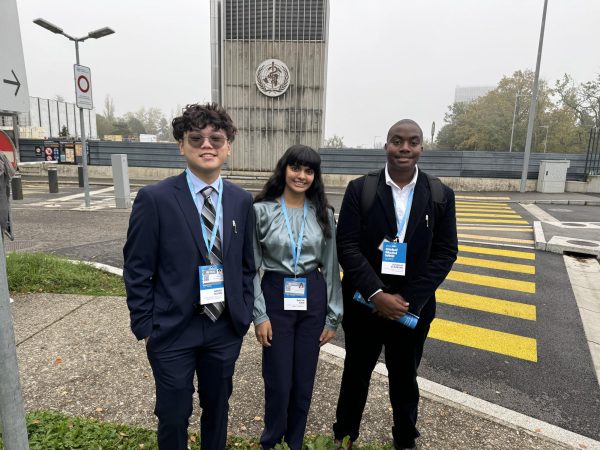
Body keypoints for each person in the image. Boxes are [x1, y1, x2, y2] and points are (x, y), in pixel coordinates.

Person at [123, 103, 256, 450]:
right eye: (196, 138)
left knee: (218, 409)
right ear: (181, 145)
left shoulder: (242, 201)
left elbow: (246, 265)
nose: (206, 145)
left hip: (223, 329)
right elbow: (137, 268)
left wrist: (241, 314)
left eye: (216, 138)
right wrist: (146, 327)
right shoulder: (155, 199)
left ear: (229, 146)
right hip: (171, 331)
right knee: (172, 414)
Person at [332, 119, 458, 450]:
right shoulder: (361, 189)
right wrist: (377, 295)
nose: (404, 148)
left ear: (421, 147)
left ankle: (405, 438)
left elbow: (446, 253)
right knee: (355, 373)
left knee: (405, 377)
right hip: (363, 303)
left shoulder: (440, 194)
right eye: (397, 141)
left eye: (412, 142)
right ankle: (344, 435)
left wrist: (404, 299)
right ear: (386, 145)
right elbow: (347, 246)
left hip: (411, 309)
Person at [253, 144, 343, 450]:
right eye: (295, 168)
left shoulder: (324, 214)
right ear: (284, 169)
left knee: (303, 380)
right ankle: (271, 441)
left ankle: (293, 443)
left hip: (312, 295)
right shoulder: (261, 211)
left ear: (315, 176)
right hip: (275, 294)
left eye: (308, 170)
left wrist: (333, 316)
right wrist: (260, 314)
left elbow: (331, 268)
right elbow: (250, 267)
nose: (301, 175)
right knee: (278, 379)